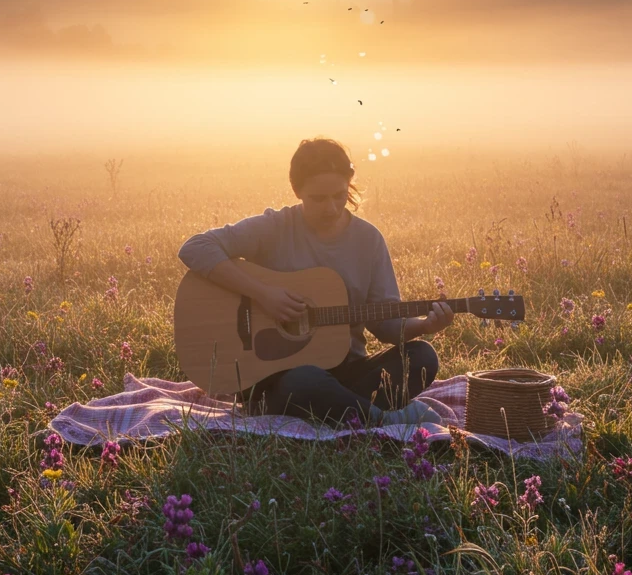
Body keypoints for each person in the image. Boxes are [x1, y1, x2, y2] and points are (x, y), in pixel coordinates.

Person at [176, 136, 455, 427]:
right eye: (318, 199)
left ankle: (338, 408)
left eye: (339, 195)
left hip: (347, 369)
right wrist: (263, 295)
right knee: (302, 380)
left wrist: (424, 325)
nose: (331, 207)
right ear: (297, 191)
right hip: (276, 376)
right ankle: (380, 420)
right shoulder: (276, 227)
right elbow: (195, 248)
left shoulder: (368, 240)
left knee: (422, 357)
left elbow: (385, 326)